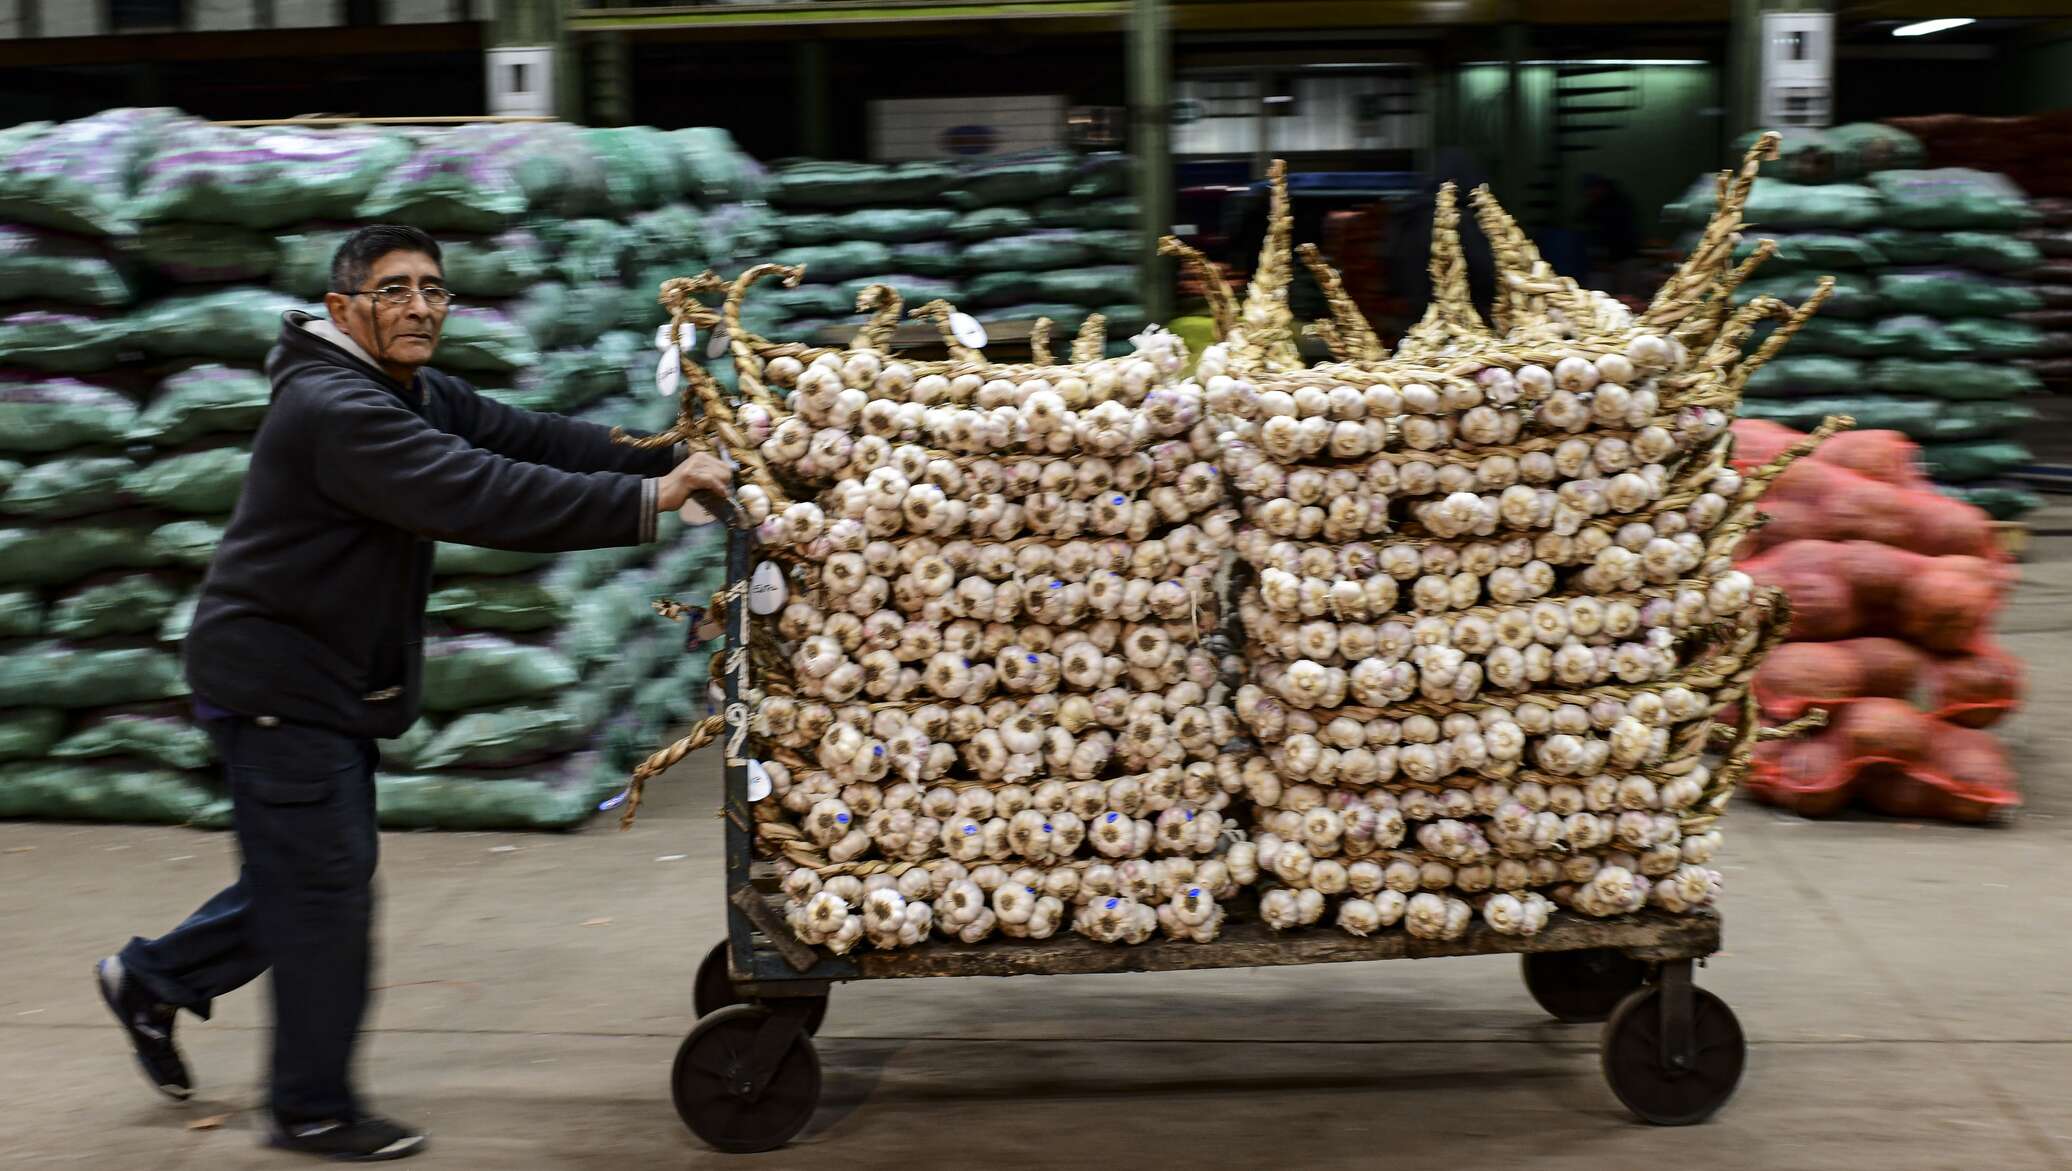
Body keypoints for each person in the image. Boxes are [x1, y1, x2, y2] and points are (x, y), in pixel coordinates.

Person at [94, 225, 729, 1162]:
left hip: (321, 674)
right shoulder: (337, 407)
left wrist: (670, 449)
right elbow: (479, 490)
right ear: (344, 308)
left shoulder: (410, 389)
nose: (422, 306)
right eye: (395, 290)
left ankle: (151, 979)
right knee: (326, 892)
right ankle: (310, 1107)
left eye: (435, 289)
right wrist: (654, 500)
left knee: (311, 870)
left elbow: (530, 435)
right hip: (279, 681)